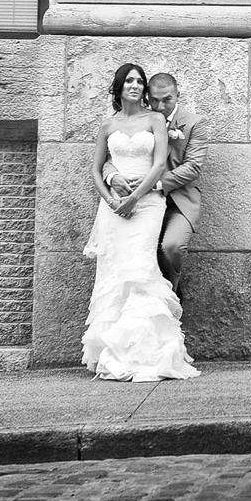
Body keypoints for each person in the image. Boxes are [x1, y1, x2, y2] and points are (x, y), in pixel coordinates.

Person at [81, 63, 199, 382]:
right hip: (114, 205)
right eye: (129, 80)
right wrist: (112, 197)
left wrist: (134, 198)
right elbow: (97, 168)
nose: (135, 85)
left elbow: (160, 162)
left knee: (141, 267)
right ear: (118, 87)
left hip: (147, 202)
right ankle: (112, 352)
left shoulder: (155, 119)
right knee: (115, 273)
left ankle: (148, 353)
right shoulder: (108, 125)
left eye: (139, 81)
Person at [103, 73, 208, 295]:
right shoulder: (140, 119)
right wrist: (113, 176)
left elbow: (193, 167)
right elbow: (112, 156)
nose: (160, 106)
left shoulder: (194, 124)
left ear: (178, 95)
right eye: (154, 100)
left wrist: (155, 183)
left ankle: (170, 292)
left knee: (172, 247)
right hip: (139, 200)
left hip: (177, 201)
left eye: (167, 99)